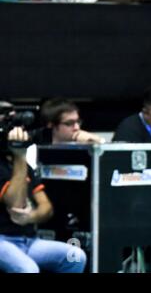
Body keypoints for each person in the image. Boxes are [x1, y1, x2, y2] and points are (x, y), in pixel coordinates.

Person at [0, 102, 87, 273]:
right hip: (2, 240)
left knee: (75, 255)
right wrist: (20, 155)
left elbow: (46, 208)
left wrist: (31, 217)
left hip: (28, 240)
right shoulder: (17, 162)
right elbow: (16, 203)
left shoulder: (21, 164)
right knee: (29, 269)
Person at [40, 98, 104, 144]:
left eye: (78, 122)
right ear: (51, 124)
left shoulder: (83, 142)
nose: (77, 127)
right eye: (69, 123)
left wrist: (96, 141)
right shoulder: (36, 142)